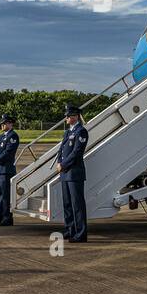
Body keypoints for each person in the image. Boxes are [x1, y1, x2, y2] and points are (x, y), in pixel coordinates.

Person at [54, 104, 88, 243]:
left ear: (75, 116)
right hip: (65, 173)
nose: (66, 118)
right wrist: (59, 162)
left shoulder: (81, 131)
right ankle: (70, 229)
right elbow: (61, 150)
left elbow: (77, 152)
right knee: (67, 204)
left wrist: (63, 164)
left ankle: (80, 234)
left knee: (77, 205)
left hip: (74, 173)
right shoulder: (68, 132)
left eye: (68, 116)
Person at [0, 114, 20, 226]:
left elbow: (8, 152)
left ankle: (7, 218)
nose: (2, 125)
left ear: (10, 123)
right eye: (2, 123)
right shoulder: (1, 137)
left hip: (6, 170)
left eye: (5, 123)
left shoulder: (13, 136)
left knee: (6, 195)